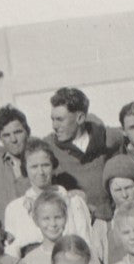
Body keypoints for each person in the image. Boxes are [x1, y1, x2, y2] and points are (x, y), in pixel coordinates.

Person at [5, 138, 102, 262]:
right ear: (25, 169)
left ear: (53, 167)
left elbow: (86, 245)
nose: (40, 172)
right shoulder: (15, 208)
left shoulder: (73, 202)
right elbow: (11, 254)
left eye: (45, 165)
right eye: (34, 167)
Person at [45, 86, 122, 222]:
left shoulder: (107, 139)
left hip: (108, 220)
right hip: (74, 223)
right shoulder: (49, 147)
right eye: (53, 119)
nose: (54, 126)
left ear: (80, 118)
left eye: (60, 119)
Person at [16, 189, 106, 264]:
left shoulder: (84, 251)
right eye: (46, 219)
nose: (53, 224)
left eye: (58, 217)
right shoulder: (28, 263)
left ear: (66, 217)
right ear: (36, 221)